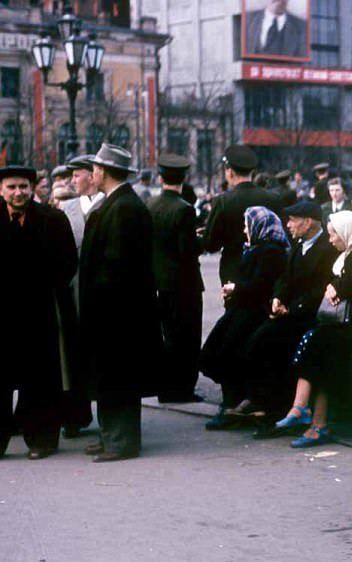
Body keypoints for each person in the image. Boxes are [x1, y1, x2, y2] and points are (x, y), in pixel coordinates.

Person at [80, 143, 163, 462]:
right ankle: (111, 436)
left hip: (117, 314)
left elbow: (115, 268)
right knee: (110, 376)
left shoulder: (124, 207)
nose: (92, 174)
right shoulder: (120, 204)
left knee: (118, 377)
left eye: (95, 169)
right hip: (116, 312)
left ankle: (121, 441)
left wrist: (97, 308)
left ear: (102, 171)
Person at [283, 211, 352, 447]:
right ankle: (307, 414)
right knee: (317, 343)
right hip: (347, 323)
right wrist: (334, 285)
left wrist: (335, 286)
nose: (330, 240)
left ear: (346, 230)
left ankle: (308, 415)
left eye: (333, 234)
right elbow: (340, 282)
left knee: (320, 344)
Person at [0, 165, 77, 460]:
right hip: (2, 315)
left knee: (41, 380)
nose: (18, 192)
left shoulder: (52, 220)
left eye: (23, 186)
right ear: (2, 190)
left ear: (32, 188)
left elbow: (69, 263)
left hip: (40, 311)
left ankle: (42, 440)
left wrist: (43, 285)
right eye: (12, 187)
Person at [247, 200, 339, 439]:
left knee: (271, 345)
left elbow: (321, 289)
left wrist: (293, 309)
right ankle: (268, 406)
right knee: (257, 342)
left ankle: (280, 411)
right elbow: (285, 279)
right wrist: (278, 298)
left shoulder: (327, 249)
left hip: (310, 318)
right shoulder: (298, 245)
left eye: (292, 220)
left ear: (308, 222)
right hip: (291, 314)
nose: (288, 225)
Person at [201, 206, 289, 429]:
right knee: (218, 353)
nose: (244, 229)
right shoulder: (258, 248)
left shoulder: (270, 251)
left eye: (246, 224)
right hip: (242, 310)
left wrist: (235, 288)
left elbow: (261, 285)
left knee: (226, 353)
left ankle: (234, 406)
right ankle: (235, 404)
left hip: (253, 312)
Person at [148, 154, 204, 404]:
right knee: (186, 338)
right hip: (183, 283)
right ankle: (182, 389)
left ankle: (164, 386)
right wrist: (200, 240)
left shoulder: (149, 205)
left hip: (157, 281)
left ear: (161, 178)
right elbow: (187, 250)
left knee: (165, 337)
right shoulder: (184, 209)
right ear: (184, 179)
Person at [59, 154, 101, 438]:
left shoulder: (108, 204)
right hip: (72, 290)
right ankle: (75, 414)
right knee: (73, 352)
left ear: (91, 175)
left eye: (77, 174)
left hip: (100, 288)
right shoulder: (66, 207)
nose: (72, 180)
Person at [203, 144, 280, 284]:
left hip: (234, 272)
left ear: (230, 172)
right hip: (266, 271)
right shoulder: (273, 199)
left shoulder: (223, 201)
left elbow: (211, 244)